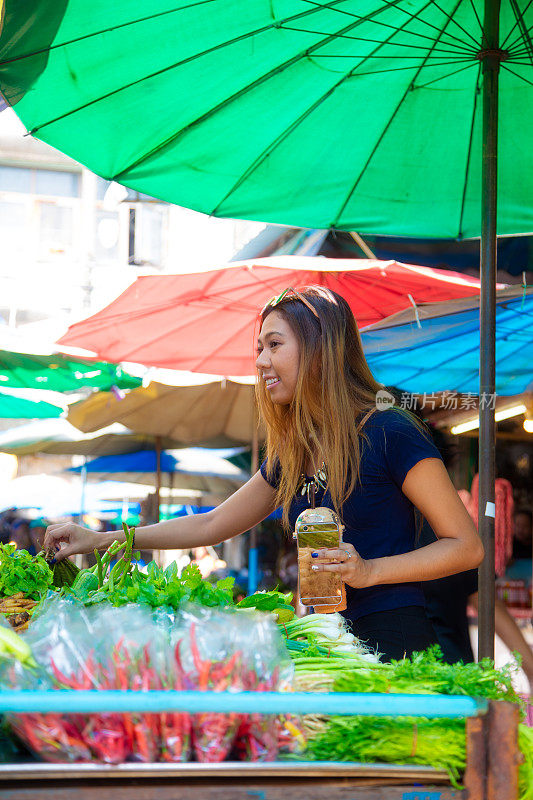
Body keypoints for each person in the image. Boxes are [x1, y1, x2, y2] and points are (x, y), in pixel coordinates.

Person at [44, 286, 484, 661]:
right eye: (259, 348)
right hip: (326, 644)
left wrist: (368, 571)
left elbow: (465, 547)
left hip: (396, 648)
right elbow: (214, 523)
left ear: (319, 350)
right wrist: (106, 540)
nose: (259, 362)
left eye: (274, 345)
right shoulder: (294, 452)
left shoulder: (391, 431)